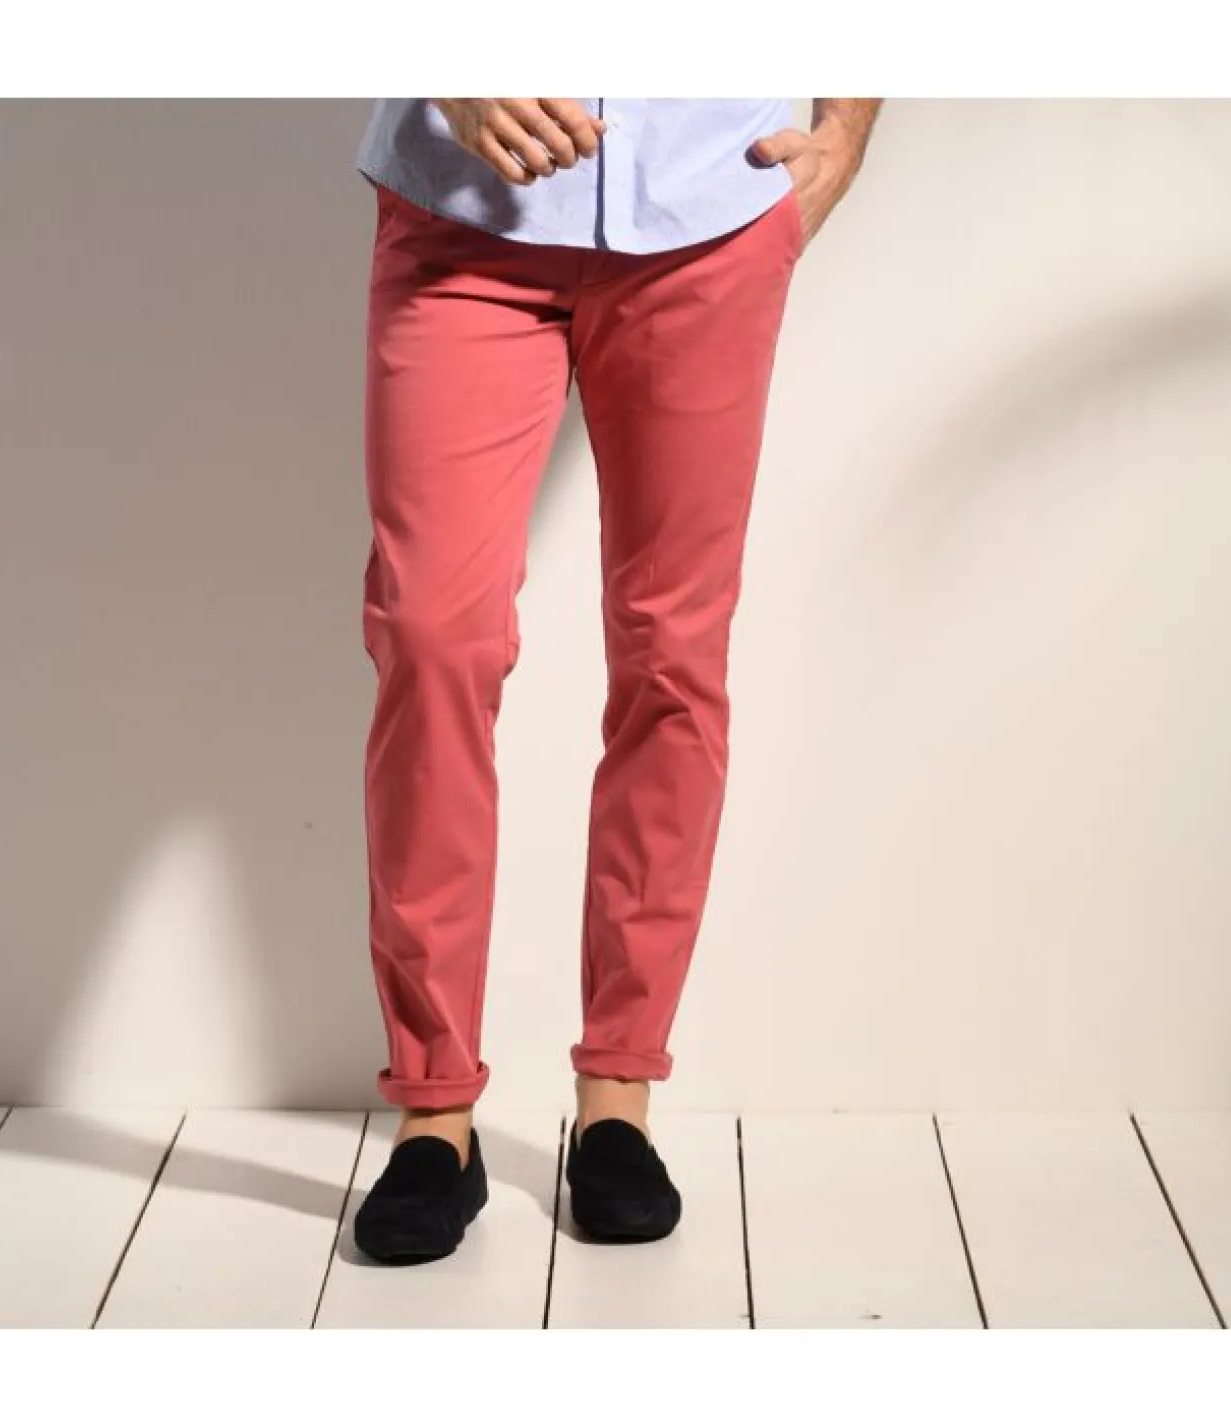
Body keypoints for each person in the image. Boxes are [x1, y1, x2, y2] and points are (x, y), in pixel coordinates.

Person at [350, 98, 882, 1264]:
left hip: (707, 211)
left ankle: (619, 1099)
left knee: (673, 653)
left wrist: (847, 126)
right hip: (464, 211)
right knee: (433, 635)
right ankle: (435, 1108)